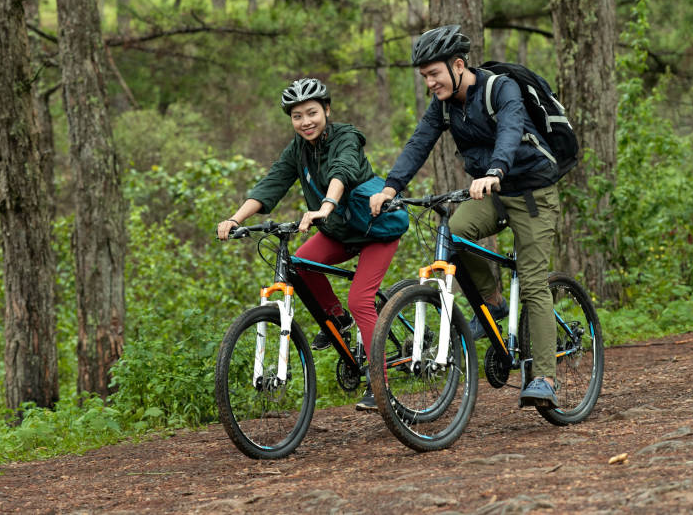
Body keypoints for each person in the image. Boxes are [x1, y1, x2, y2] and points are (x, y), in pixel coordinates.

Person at [368, 25, 562, 409]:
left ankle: (544, 377)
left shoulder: (500, 89)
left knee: (534, 280)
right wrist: (391, 187)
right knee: (456, 232)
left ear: (458, 65)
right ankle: (492, 301)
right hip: (492, 191)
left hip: (531, 191)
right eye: (424, 76)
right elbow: (419, 142)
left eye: (433, 74)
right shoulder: (443, 105)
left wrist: (495, 170)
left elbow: (510, 130)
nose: (429, 83)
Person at [217, 77, 401, 412]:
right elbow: (271, 183)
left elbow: (342, 172)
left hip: (375, 230)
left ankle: (381, 383)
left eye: (312, 112)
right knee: (300, 266)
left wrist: (325, 207)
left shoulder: (346, 136)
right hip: (340, 231)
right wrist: (235, 219)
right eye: (297, 116)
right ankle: (338, 321)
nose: (305, 122)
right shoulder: (298, 149)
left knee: (360, 299)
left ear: (327, 110)